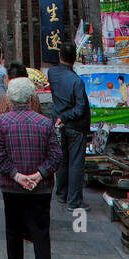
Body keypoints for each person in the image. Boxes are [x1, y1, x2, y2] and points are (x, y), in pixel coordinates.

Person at [0, 77, 62, 259]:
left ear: (11, 99)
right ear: (31, 98)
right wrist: (38, 175)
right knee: (41, 235)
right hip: (41, 189)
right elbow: (56, 156)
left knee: (13, 234)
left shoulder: (2, 122)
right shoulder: (45, 123)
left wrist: (16, 176)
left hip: (12, 188)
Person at [47, 41, 92, 211]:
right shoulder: (76, 81)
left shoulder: (52, 73)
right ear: (75, 59)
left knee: (63, 159)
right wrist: (66, 116)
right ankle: (74, 201)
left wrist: (61, 116)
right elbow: (80, 109)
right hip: (73, 125)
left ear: (60, 56)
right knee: (75, 163)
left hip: (58, 123)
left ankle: (61, 193)